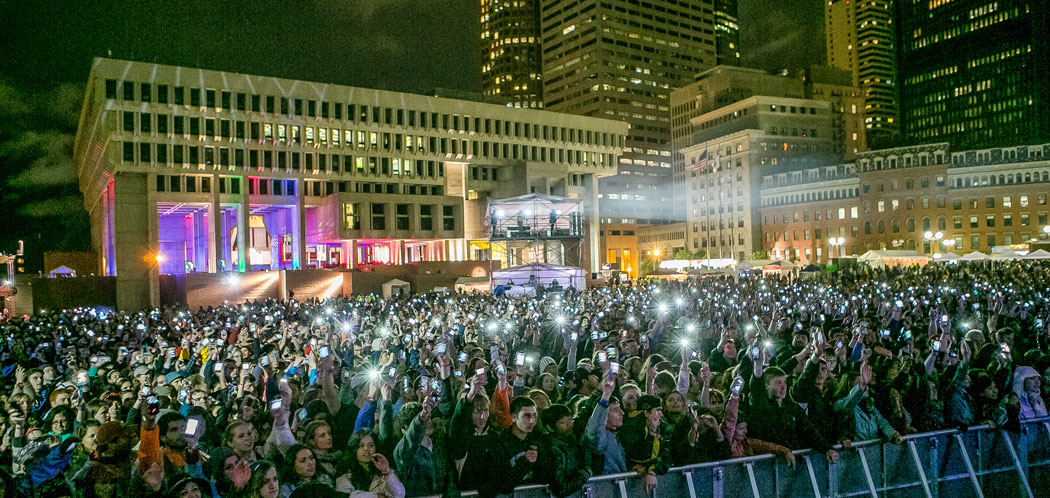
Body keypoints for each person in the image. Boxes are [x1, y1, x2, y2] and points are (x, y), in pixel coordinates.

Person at [334, 429, 405, 498]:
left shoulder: (385, 474)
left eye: (371, 445)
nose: (366, 449)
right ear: (354, 449)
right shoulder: (345, 477)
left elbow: (399, 495)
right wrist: (376, 496)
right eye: (361, 446)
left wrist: (387, 473)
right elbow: (344, 496)